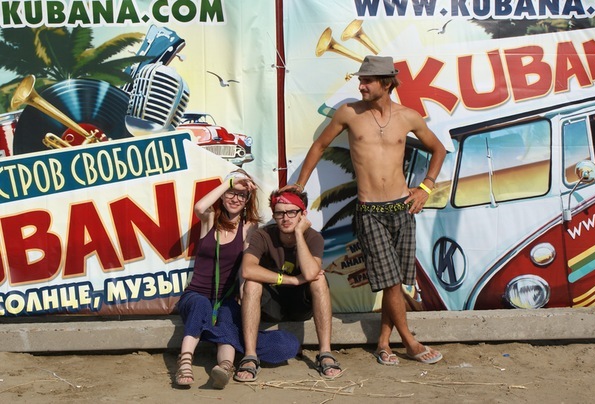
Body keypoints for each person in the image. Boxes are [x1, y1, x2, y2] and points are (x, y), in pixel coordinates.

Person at [287, 55, 447, 366]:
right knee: (391, 281)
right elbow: (319, 146)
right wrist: (300, 186)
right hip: (370, 210)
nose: (361, 86)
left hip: (403, 208)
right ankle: (410, 341)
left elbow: (438, 149)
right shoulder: (349, 112)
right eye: (360, 80)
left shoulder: (408, 117)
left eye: (367, 81)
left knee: (395, 282)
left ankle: (383, 343)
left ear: (386, 83)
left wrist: (425, 187)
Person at [175, 169, 299, 389]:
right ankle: (185, 362)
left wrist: (243, 297)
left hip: (226, 299)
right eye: (231, 192)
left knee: (229, 317)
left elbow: (245, 267)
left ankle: (224, 367)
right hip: (196, 295)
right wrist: (230, 182)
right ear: (223, 195)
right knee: (200, 304)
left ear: (248, 200)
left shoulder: (248, 227)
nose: (235, 198)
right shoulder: (210, 218)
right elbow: (200, 207)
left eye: (242, 195)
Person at [234, 189, 343, 382]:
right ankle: (250, 356)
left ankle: (325, 353)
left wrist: (299, 234)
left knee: (319, 280)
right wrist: (291, 280)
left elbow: (310, 273)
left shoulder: (313, 237)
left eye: (292, 212)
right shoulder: (263, 235)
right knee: (251, 283)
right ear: (274, 214)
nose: (285, 218)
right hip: (272, 304)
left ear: (303, 214)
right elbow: (247, 270)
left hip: (300, 304)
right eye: (280, 213)